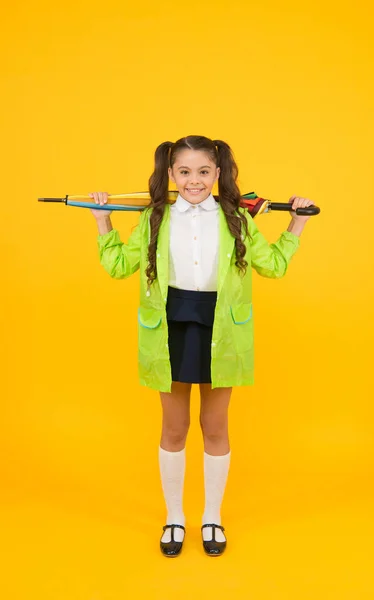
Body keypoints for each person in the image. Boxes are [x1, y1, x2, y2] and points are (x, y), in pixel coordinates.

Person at [89, 135, 315, 558]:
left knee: (215, 427)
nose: (195, 181)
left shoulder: (238, 220)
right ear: (171, 175)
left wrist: (296, 222)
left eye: (204, 172)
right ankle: (174, 518)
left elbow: (275, 267)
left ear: (218, 174)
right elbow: (119, 266)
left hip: (222, 329)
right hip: (170, 327)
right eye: (185, 172)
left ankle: (212, 516)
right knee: (174, 429)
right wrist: (102, 220)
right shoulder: (155, 217)